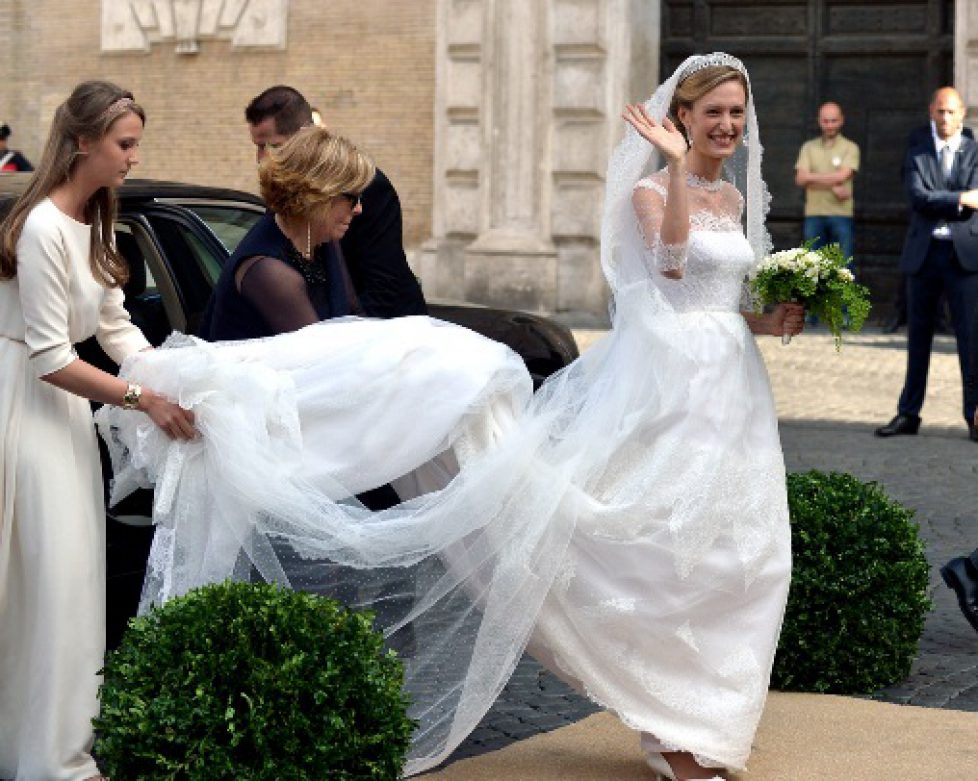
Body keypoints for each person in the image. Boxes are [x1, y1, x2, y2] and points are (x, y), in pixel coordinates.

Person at [97, 53, 802, 781]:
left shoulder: (313, 249)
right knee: (531, 446)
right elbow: (674, 266)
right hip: (663, 385)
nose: (359, 212)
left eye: (735, 111)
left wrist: (770, 315)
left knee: (747, 547)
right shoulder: (273, 267)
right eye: (712, 109)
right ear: (682, 116)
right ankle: (671, 718)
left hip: (732, 387)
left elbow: (348, 329)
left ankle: (699, 712)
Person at [0, 81, 195, 781]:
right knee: (48, 585)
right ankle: (53, 762)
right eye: (124, 143)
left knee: (72, 584)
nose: (133, 157)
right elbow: (53, 356)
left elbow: (114, 326)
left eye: (135, 142)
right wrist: (147, 399)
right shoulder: (44, 228)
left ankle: (47, 750)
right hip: (24, 410)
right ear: (82, 142)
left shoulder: (95, 220)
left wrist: (179, 376)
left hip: (62, 419)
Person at [241, 85, 426, 319]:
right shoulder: (269, 254)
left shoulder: (367, 185)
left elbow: (383, 285)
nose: (262, 159)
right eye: (258, 147)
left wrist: (356, 343)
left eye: (273, 147)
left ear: (307, 137)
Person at [200, 126, 373, 341]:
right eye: (353, 198)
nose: (358, 209)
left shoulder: (319, 236)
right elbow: (320, 354)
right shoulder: (268, 270)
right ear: (319, 196)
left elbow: (355, 315)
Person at [876, 87, 978, 442]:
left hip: (964, 256)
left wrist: (953, 199)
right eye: (940, 112)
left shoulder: (975, 150)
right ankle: (908, 414)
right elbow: (918, 198)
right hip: (924, 254)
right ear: (931, 113)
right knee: (918, 338)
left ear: (962, 113)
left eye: (951, 112)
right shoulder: (918, 147)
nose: (945, 119)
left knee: (971, 340)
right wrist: (961, 198)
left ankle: (974, 416)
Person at [794, 102, 859, 266]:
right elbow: (800, 179)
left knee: (844, 267)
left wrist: (812, 178)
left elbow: (844, 175)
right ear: (819, 121)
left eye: (834, 120)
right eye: (826, 121)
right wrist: (834, 181)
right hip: (814, 214)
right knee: (811, 268)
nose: (830, 125)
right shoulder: (808, 147)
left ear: (841, 120)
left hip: (841, 214)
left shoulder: (850, 147)